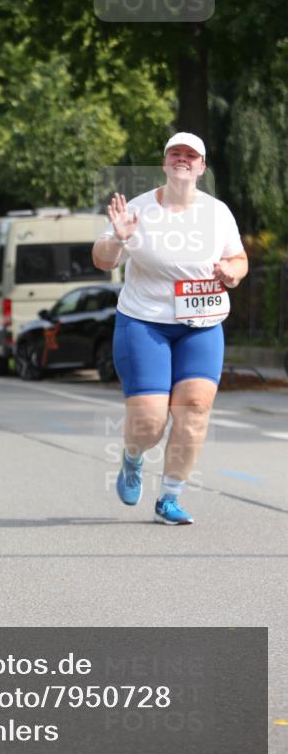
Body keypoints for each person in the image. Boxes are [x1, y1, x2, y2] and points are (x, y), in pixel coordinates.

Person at [93, 132, 248, 525]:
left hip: (202, 323)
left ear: (202, 167)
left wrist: (232, 272)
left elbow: (239, 258)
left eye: (190, 155)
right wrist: (117, 238)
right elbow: (101, 260)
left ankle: (170, 497)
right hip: (145, 322)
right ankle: (133, 457)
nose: (182, 159)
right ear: (164, 163)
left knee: (195, 407)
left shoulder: (218, 212)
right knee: (149, 422)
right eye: (175, 153)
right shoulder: (138, 209)